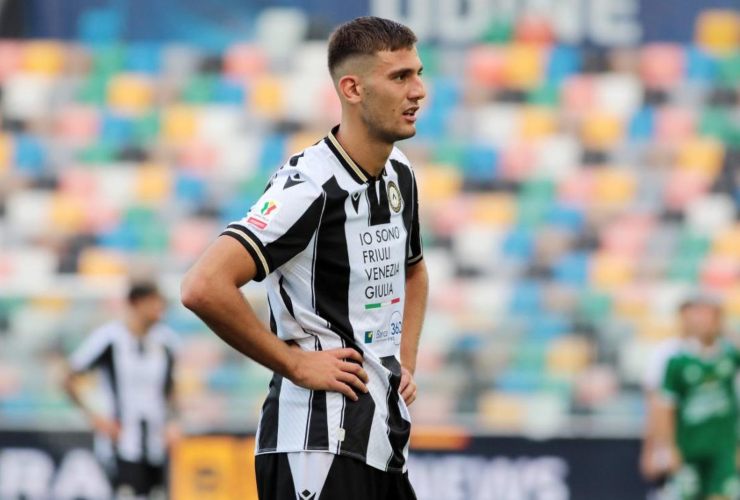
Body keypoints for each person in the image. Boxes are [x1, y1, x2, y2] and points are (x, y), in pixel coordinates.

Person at [181, 16, 428, 500]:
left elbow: (414, 270)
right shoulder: (309, 186)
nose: (418, 90)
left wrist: (406, 362)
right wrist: (295, 366)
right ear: (352, 88)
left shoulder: (400, 173)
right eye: (400, 77)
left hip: (378, 441)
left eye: (418, 73)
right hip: (315, 446)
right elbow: (203, 285)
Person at [64, 282, 180, 499]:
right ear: (136, 303)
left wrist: (173, 422)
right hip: (121, 439)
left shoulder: (166, 342)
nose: (159, 310)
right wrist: (95, 417)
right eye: (154, 303)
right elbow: (68, 378)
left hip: (157, 441)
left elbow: (170, 388)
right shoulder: (109, 338)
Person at [653, 294, 740, 500]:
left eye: (709, 315)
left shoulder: (729, 355)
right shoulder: (677, 361)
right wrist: (667, 447)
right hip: (689, 448)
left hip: (723, 448)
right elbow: (665, 407)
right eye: (698, 315)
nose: (702, 320)